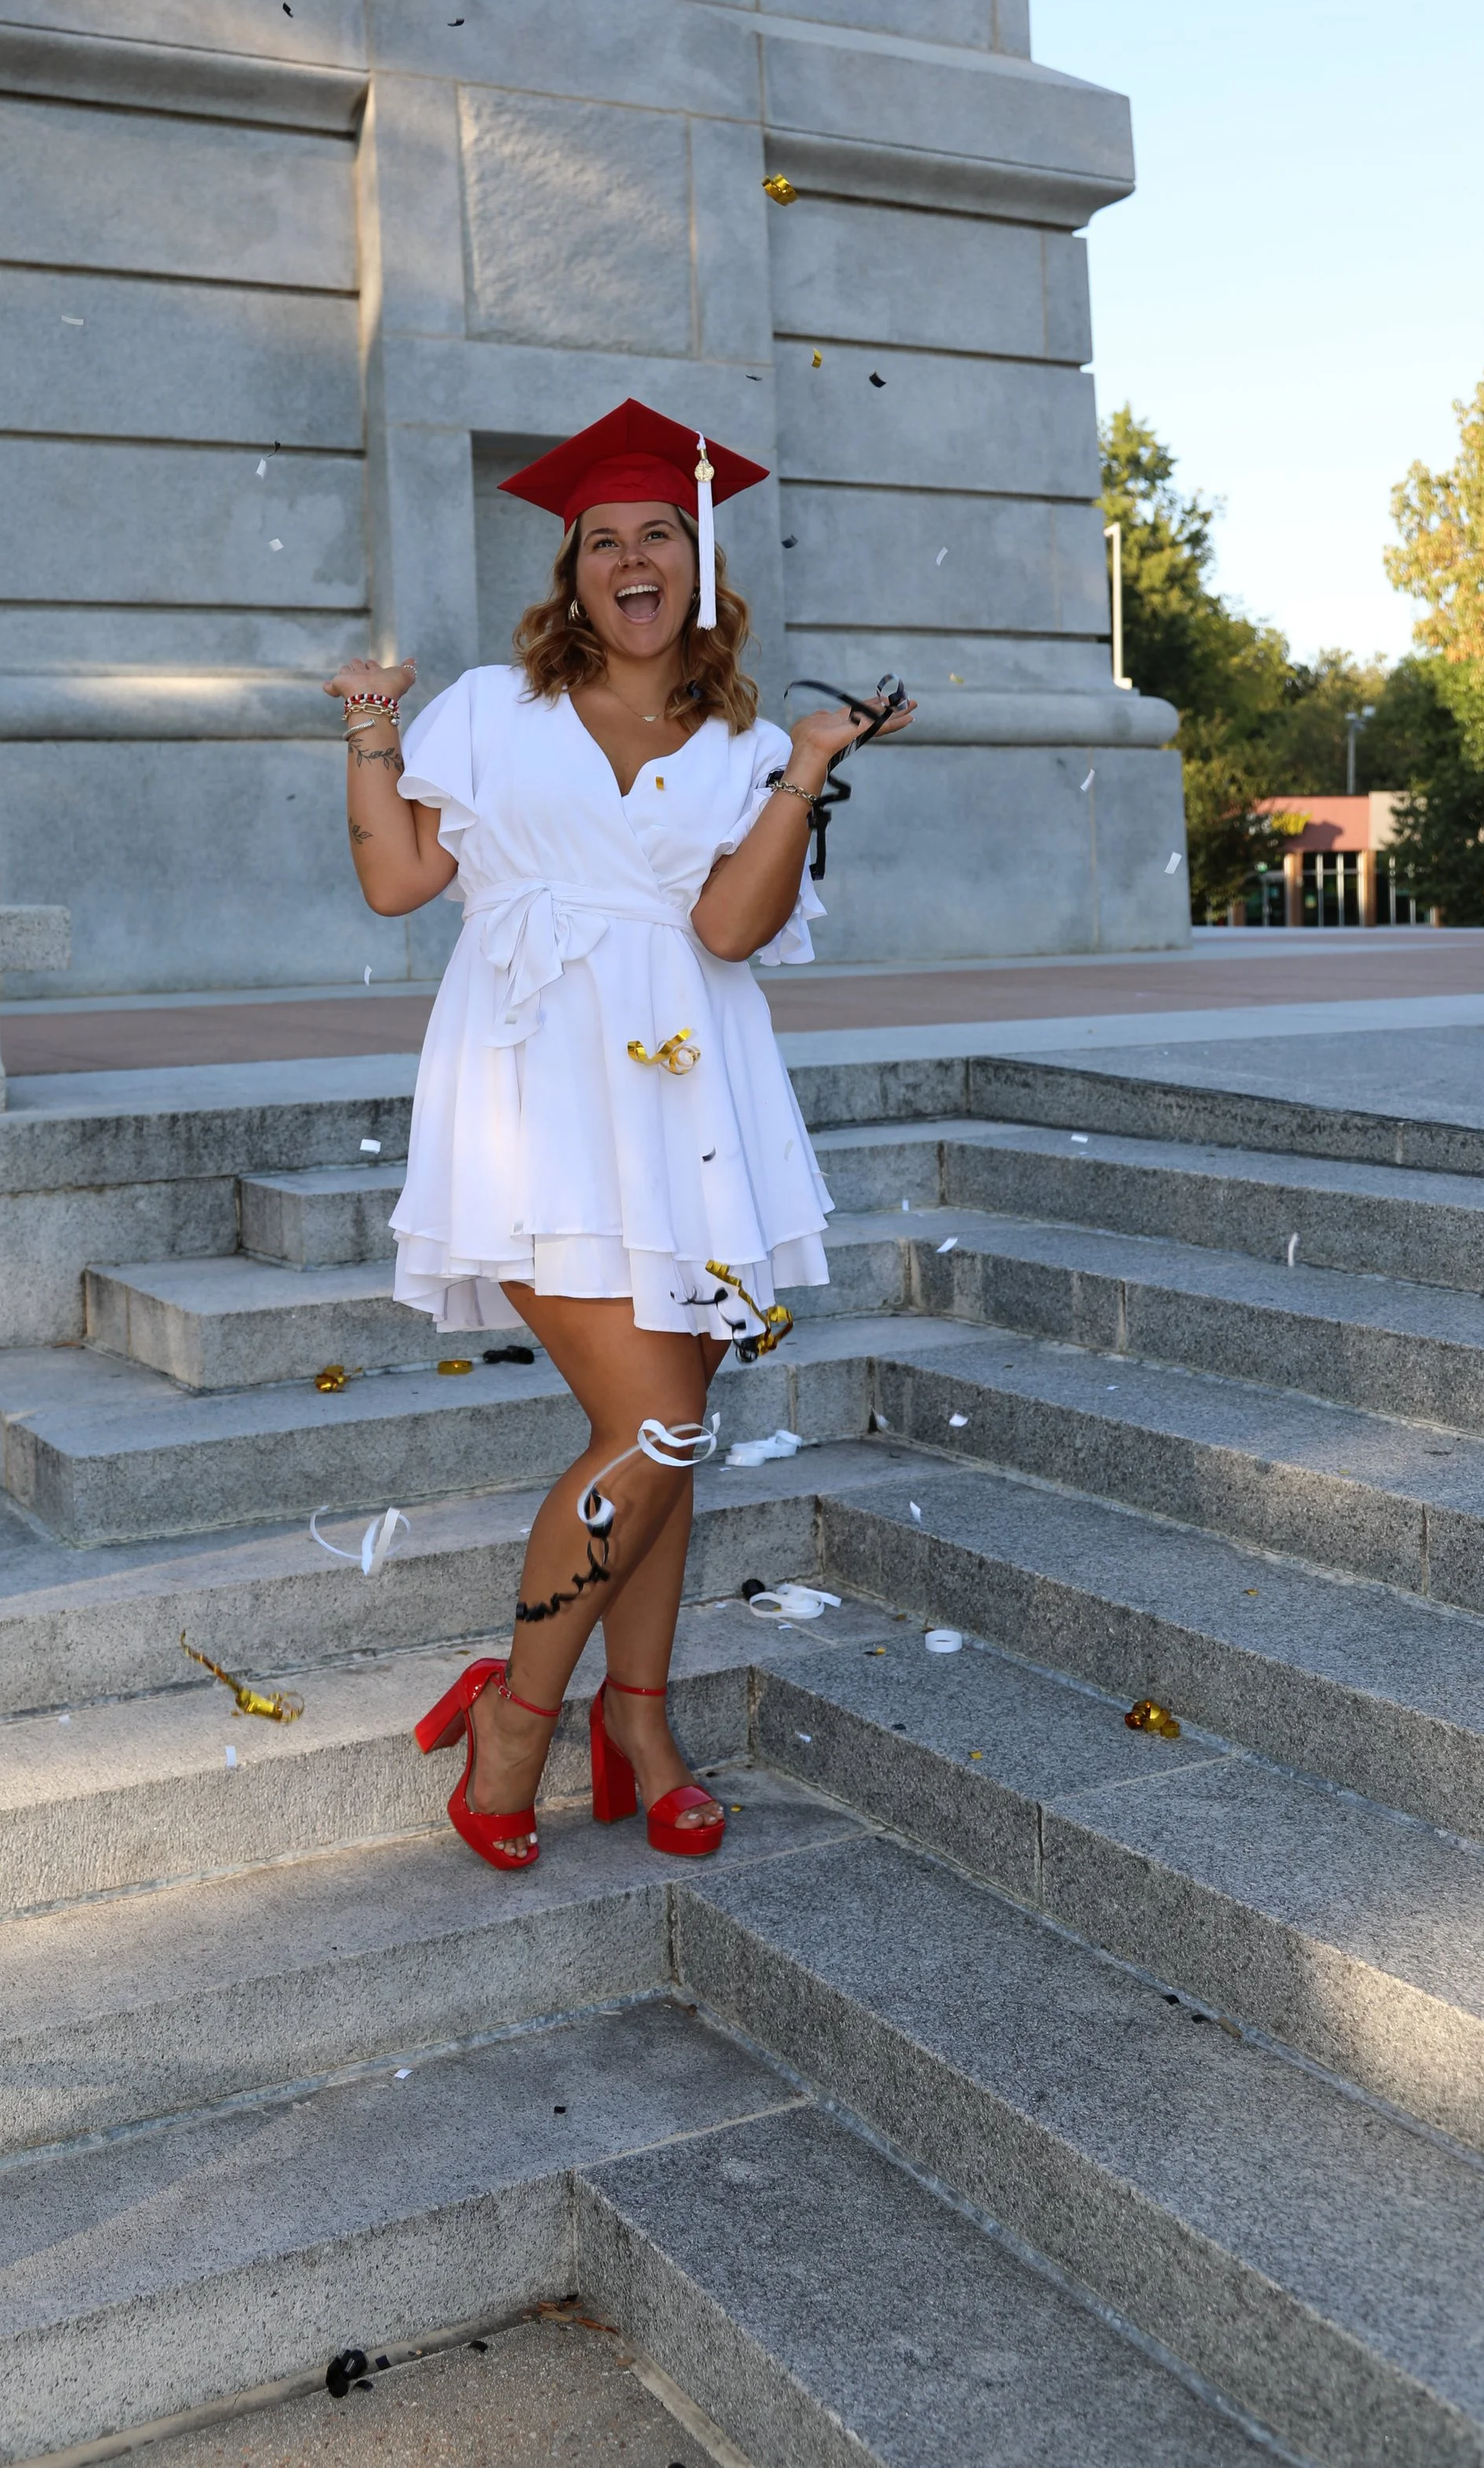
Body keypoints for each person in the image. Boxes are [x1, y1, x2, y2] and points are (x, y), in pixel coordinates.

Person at [326, 398, 915, 1872]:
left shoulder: (749, 741)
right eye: (607, 540)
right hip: (530, 1093)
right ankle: (517, 1717)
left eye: (662, 532)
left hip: (691, 1103)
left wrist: (806, 768)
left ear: (700, 560)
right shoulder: (488, 710)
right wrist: (369, 723)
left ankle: (639, 1726)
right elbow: (398, 881)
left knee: (677, 1431)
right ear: (572, 571)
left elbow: (730, 923)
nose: (635, 557)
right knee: (650, 1422)